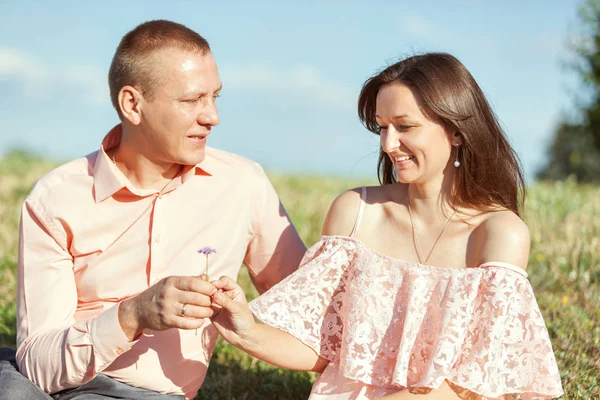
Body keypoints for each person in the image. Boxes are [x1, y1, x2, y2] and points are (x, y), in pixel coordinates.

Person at [208, 53, 564, 399]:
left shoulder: (499, 233)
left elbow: (476, 378)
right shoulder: (356, 212)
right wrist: (246, 331)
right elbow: (326, 351)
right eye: (382, 127)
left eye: (405, 126)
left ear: (457, 132)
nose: (389, 144)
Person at [0, 20, 306, 400]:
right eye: (192, 100)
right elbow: (38, 367)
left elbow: (314, 313)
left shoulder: (243, 185)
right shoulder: (56, 198)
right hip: (38, 384)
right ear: (133, 104)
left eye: (215, 97)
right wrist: (132, 315)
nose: (212, 116)